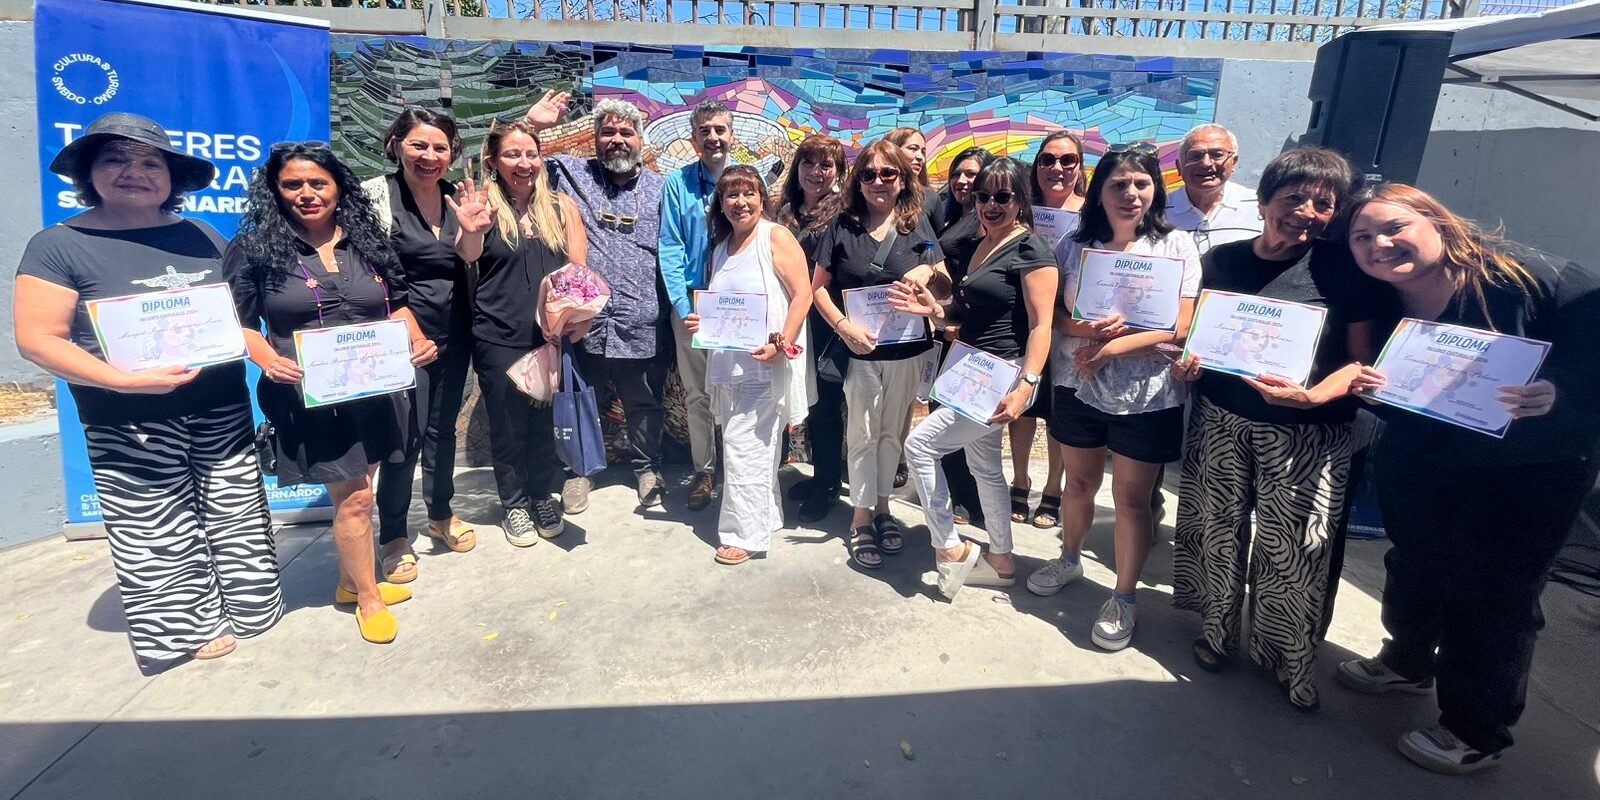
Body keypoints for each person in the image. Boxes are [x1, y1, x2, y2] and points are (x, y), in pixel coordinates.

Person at [1336, 184, 1600, 774]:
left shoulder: (1541, 280)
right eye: (1362, 237)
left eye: (1394, 227)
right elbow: (1388, 383)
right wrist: (1374, 392)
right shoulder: (1379, 300)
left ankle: (1475, 728)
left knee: (1493, 595)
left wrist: (1562, 393)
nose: (1380, 245)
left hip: (1527, 474)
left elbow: (1593, 363)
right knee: (1415, 563)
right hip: (1423, 459)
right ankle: (1407, 662)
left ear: (1437, 221)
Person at [15, 112, 282, 673]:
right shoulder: (58, 244)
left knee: (236, 511)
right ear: (90, 172)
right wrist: (123, 380)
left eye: (150, 162)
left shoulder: (201, 235)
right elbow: (37, 339)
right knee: (154, 523)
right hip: (126, 414)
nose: (134, 172)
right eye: (115, 159)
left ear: (171, 176)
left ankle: (253, 605)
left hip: (220, 404)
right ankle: (185, 627)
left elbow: (235, 315)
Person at [1168, 146, 1379, 709]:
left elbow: (1362, 363)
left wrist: (1313, 397)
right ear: (1263, 203)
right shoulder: (1223, 261)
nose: (1307, 211)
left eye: (1322, 203)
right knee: (1216, 530)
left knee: (1296, 551)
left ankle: (1288, 661)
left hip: (1310, 433)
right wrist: (1188, 363)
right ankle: (1216, 630)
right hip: (1221, 417)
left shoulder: (1346, 271)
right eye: (1293, 198)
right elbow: (1198, 338)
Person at [228, 141, 439, 645]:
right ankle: (368, 598)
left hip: (375, 390)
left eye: (317, 183)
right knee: (356, 499)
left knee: (358, 492)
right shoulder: (255, 250)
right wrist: (265, 359)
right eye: (292, 185)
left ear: (339, 187)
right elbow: (238, 323)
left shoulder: (368, 242)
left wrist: (417, 338)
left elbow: (399, 306)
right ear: (274, 192)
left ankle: (350, 582)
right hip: (307, 395)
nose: (306, 194)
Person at [1026, 142, 1202, 653]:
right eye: (1119, 184)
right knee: (1078, 483)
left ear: (1156, 190)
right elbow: (1056, 316)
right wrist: (1088, 331)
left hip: (1149, 393)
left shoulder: (1177, 247)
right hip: (1079, 383)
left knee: (1130, 498)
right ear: (1099, 192)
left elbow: (1183, 324)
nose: (1131, 194)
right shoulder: (1074, 245)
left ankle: (1124, 596)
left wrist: (1115, 346)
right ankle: (1070, 556)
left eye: (1141, 184)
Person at [890, 157, 1059, 598]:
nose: (990, 204)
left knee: (920, 445)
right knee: (985, 466)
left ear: (1021, 200)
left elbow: (1042, 326)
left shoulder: (1031, 250)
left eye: (1002, 196)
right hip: (970, 368)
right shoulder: (984, 243)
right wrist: (935, 311)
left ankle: (949, 547)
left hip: (1000, 374)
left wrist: (1027, 384)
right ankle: (1001, 558)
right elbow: (970, 315)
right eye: (983, 196)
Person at [523, 92, 671, 511]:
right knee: (577, 394)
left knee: (644, 401)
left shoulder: (663, 188)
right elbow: (513, 164)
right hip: (582, 319)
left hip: (641, 318)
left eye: (626, 132)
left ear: (641, 140)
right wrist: (533, 126)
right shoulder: (569, 173)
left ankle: (649, 469)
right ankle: (578, 473)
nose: (617, 140)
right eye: (608, 132)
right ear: (595, 138)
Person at [810, 140, 948, 570]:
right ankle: (861, 515)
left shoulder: (917, 224)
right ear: (858, 181)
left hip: (907, 351)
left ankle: (884, 506)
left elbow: (943, 286)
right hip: (862, 351)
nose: (878, 182)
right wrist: (843, 326)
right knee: (863, 433)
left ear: (903, 178)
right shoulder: (843, 226)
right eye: (868, 174)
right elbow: (817, 288)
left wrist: (928, 273)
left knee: (893, 434)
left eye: (888, 174)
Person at [453, 119, 588, 546]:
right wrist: (472, 230)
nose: (524, 163)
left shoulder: (561, 207)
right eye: (512, 154)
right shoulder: (483, 205)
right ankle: (514, 503)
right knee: (508, 425)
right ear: (494, 161)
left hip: (548, 336)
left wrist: (575, 320)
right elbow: (468, 254)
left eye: (531, 154)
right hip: (499, 334)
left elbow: (576, 272)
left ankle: (543, 495)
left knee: (546, 421)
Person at [364, 108, 475, 586]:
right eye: (419, 145)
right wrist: (410, 332)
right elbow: (371, 278)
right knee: (402, 438)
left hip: (456, 333)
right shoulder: (375, 197)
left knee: (442, 430)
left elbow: (468, 261)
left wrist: (471, 230)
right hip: (401, 339)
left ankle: (441, 514)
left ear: (452, 155)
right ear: (397, 145)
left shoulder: (457, 199)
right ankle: (392, 535)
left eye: (440, 148)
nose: (430, 156)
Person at [684, 166, 814, 564]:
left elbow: (803, 294)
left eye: (748, 194)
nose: (740, 203)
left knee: (743, 448)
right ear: (719, 205)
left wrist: (783, 344)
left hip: (763, 364)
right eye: (730, 196)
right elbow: (727, 308)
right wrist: (701, 322)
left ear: (762, 197)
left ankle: (743, 534)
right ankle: (767, 516)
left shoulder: (775, 236)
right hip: (728, 365)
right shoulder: (722, 246)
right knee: (755, 447)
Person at [1010, 130, 1089, 530]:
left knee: (1060, 411)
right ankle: (1020, 479)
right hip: (1023, 323)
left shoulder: (1093, 215)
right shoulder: (1021, 211)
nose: (1057, 168)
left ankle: (1053, 489)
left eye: (1067, 160)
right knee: (1023, 407)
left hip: (1071, 330)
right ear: (1036, 166)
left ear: (1080, 166)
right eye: (1048, 160)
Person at [660, 100, 735, 511]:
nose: (714, 137)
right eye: (705, 130)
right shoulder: (677, 184)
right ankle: (704, 470)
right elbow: (670, 247)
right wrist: (678, 303)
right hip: (691, 302)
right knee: (697, 393)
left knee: (739, 387)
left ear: (732, 135)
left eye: (720, 129)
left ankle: (739, 470)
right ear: (694, 139)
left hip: (739, 304)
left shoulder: (747, 179)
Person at [771, 134, 849, 523]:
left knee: (825, 405)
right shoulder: (781, 211)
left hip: (824, 322)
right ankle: (815, 475)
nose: (816, 172)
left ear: (837, 173)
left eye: (826, 165)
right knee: (795, 399)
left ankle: (828, 484)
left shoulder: (842, 213)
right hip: (787, 319)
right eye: (809, 163)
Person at [931, 146, 995, 528]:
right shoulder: (946, 214)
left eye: (972, 174)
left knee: (967, 420)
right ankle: (960, 494)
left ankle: (976, 500)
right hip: (944, 328)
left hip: (970, 332)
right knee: (946, 410)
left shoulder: (985, 221)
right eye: (957, 173)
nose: (963, 181)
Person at [1166, 124, 1262, 252]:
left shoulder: (1260, 206)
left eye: (1217, 155)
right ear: (1179, 166)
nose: (1206, 163)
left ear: (1234, 162)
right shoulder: (1157, 211)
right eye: (1195, 156)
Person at [885, 126, 943, 230]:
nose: (920, 157)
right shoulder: (874, 193)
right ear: (892, 150)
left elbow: (938, 240)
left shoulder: (929, 198)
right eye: (913, 149)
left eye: (923, 152)